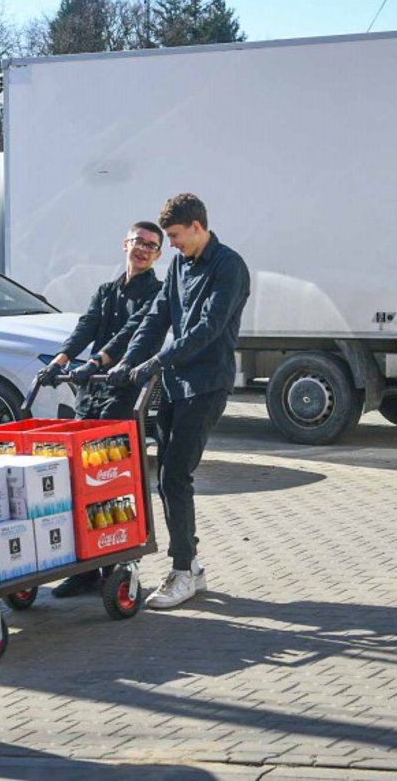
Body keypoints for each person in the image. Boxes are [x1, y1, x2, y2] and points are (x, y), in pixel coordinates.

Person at [108, 193, 249, 610]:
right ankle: (190, 568)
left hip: (206, 384)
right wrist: (128, 360)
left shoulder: (229, 267)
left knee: (174, 476)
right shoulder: (180, 268)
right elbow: (157, 317)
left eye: (174, 236)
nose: (170, 244)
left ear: (197, 227)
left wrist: (157, 360)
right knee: (166, 479)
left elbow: (208, 328)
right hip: (174, 384)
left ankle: (184, 571)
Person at [36, 221, 163, 598]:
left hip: (123, 394)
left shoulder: (156, 294)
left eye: (151, 246)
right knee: (81, 479)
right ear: (125, 243)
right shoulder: (107, 292)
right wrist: (60, 361)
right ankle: (88, 567)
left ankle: (122, 563)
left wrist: (100, 362)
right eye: (137, 242)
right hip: (92, 393)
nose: (142, 249)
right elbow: (86, 328)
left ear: (158, 255)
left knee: (116, 479)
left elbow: (134, 334)